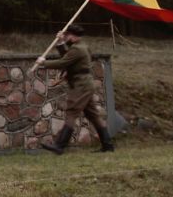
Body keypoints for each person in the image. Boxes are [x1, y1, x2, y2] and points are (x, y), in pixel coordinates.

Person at [35, 24, 115, 154]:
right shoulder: (80, 47)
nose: (65, 36)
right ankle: (108, 146)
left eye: (66, 35)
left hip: (81, 85)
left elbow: (63, 62)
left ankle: (60, 146)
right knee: (93, 115)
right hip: (84, 84)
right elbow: (68, 57)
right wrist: (61, 42)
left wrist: (43, 62)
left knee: (72, 112)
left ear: (72, 36)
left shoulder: (78, 49)